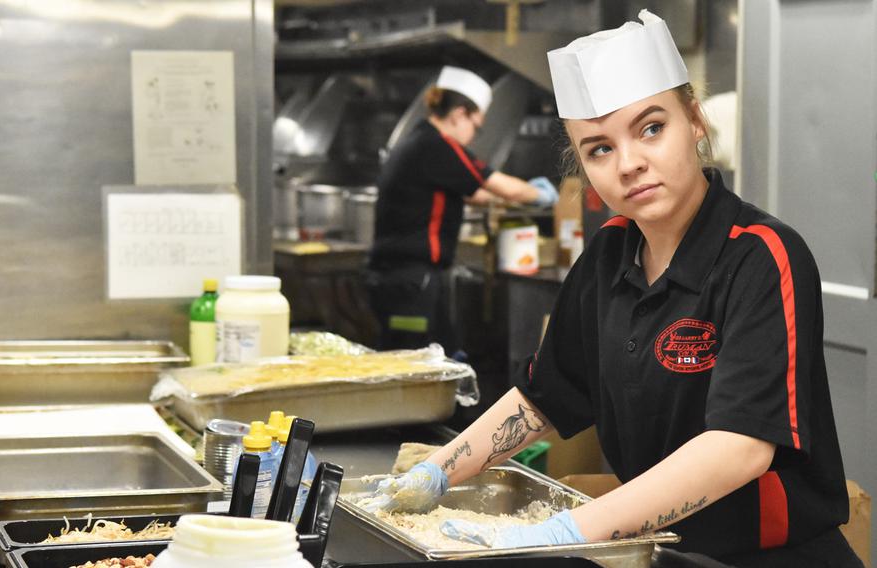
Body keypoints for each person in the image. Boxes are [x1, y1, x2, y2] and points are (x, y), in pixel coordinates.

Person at [363, 10, 861, 567]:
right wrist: (438, 470)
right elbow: (544, 396)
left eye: (651, 128)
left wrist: (563, 531)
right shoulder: (609, 252)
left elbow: (738, 449)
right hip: (657, 553)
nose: (630, 164)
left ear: (695, 121)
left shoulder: (762, 256)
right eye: (599, 148)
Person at [367, 65, 559, 355]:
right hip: (411, 283)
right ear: (459, 114)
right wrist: (544, 196)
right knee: (416, 365)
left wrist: (512, 200)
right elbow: (502, 186)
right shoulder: (439, 145)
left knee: (432, 359)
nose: (474, 136)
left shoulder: (418, 140)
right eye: (476, 127)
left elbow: (476, 195)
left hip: (400, 280)